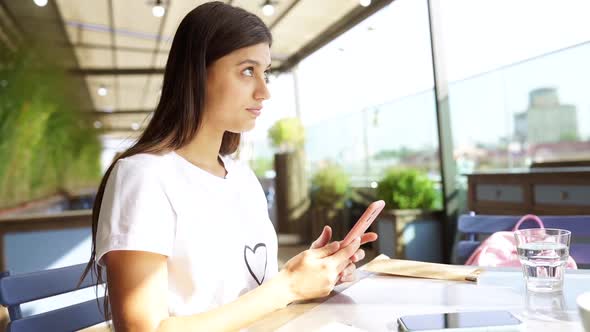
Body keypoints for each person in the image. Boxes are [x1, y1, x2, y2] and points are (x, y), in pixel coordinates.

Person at [81, 2, 377, 331]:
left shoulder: (241, 177)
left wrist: (310, 277)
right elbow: (142, 329)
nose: (264, 91)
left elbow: (252, 296)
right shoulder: (143, 177)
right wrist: (288, 286)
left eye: (265, 73)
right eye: (247, 71)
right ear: (196, 74)